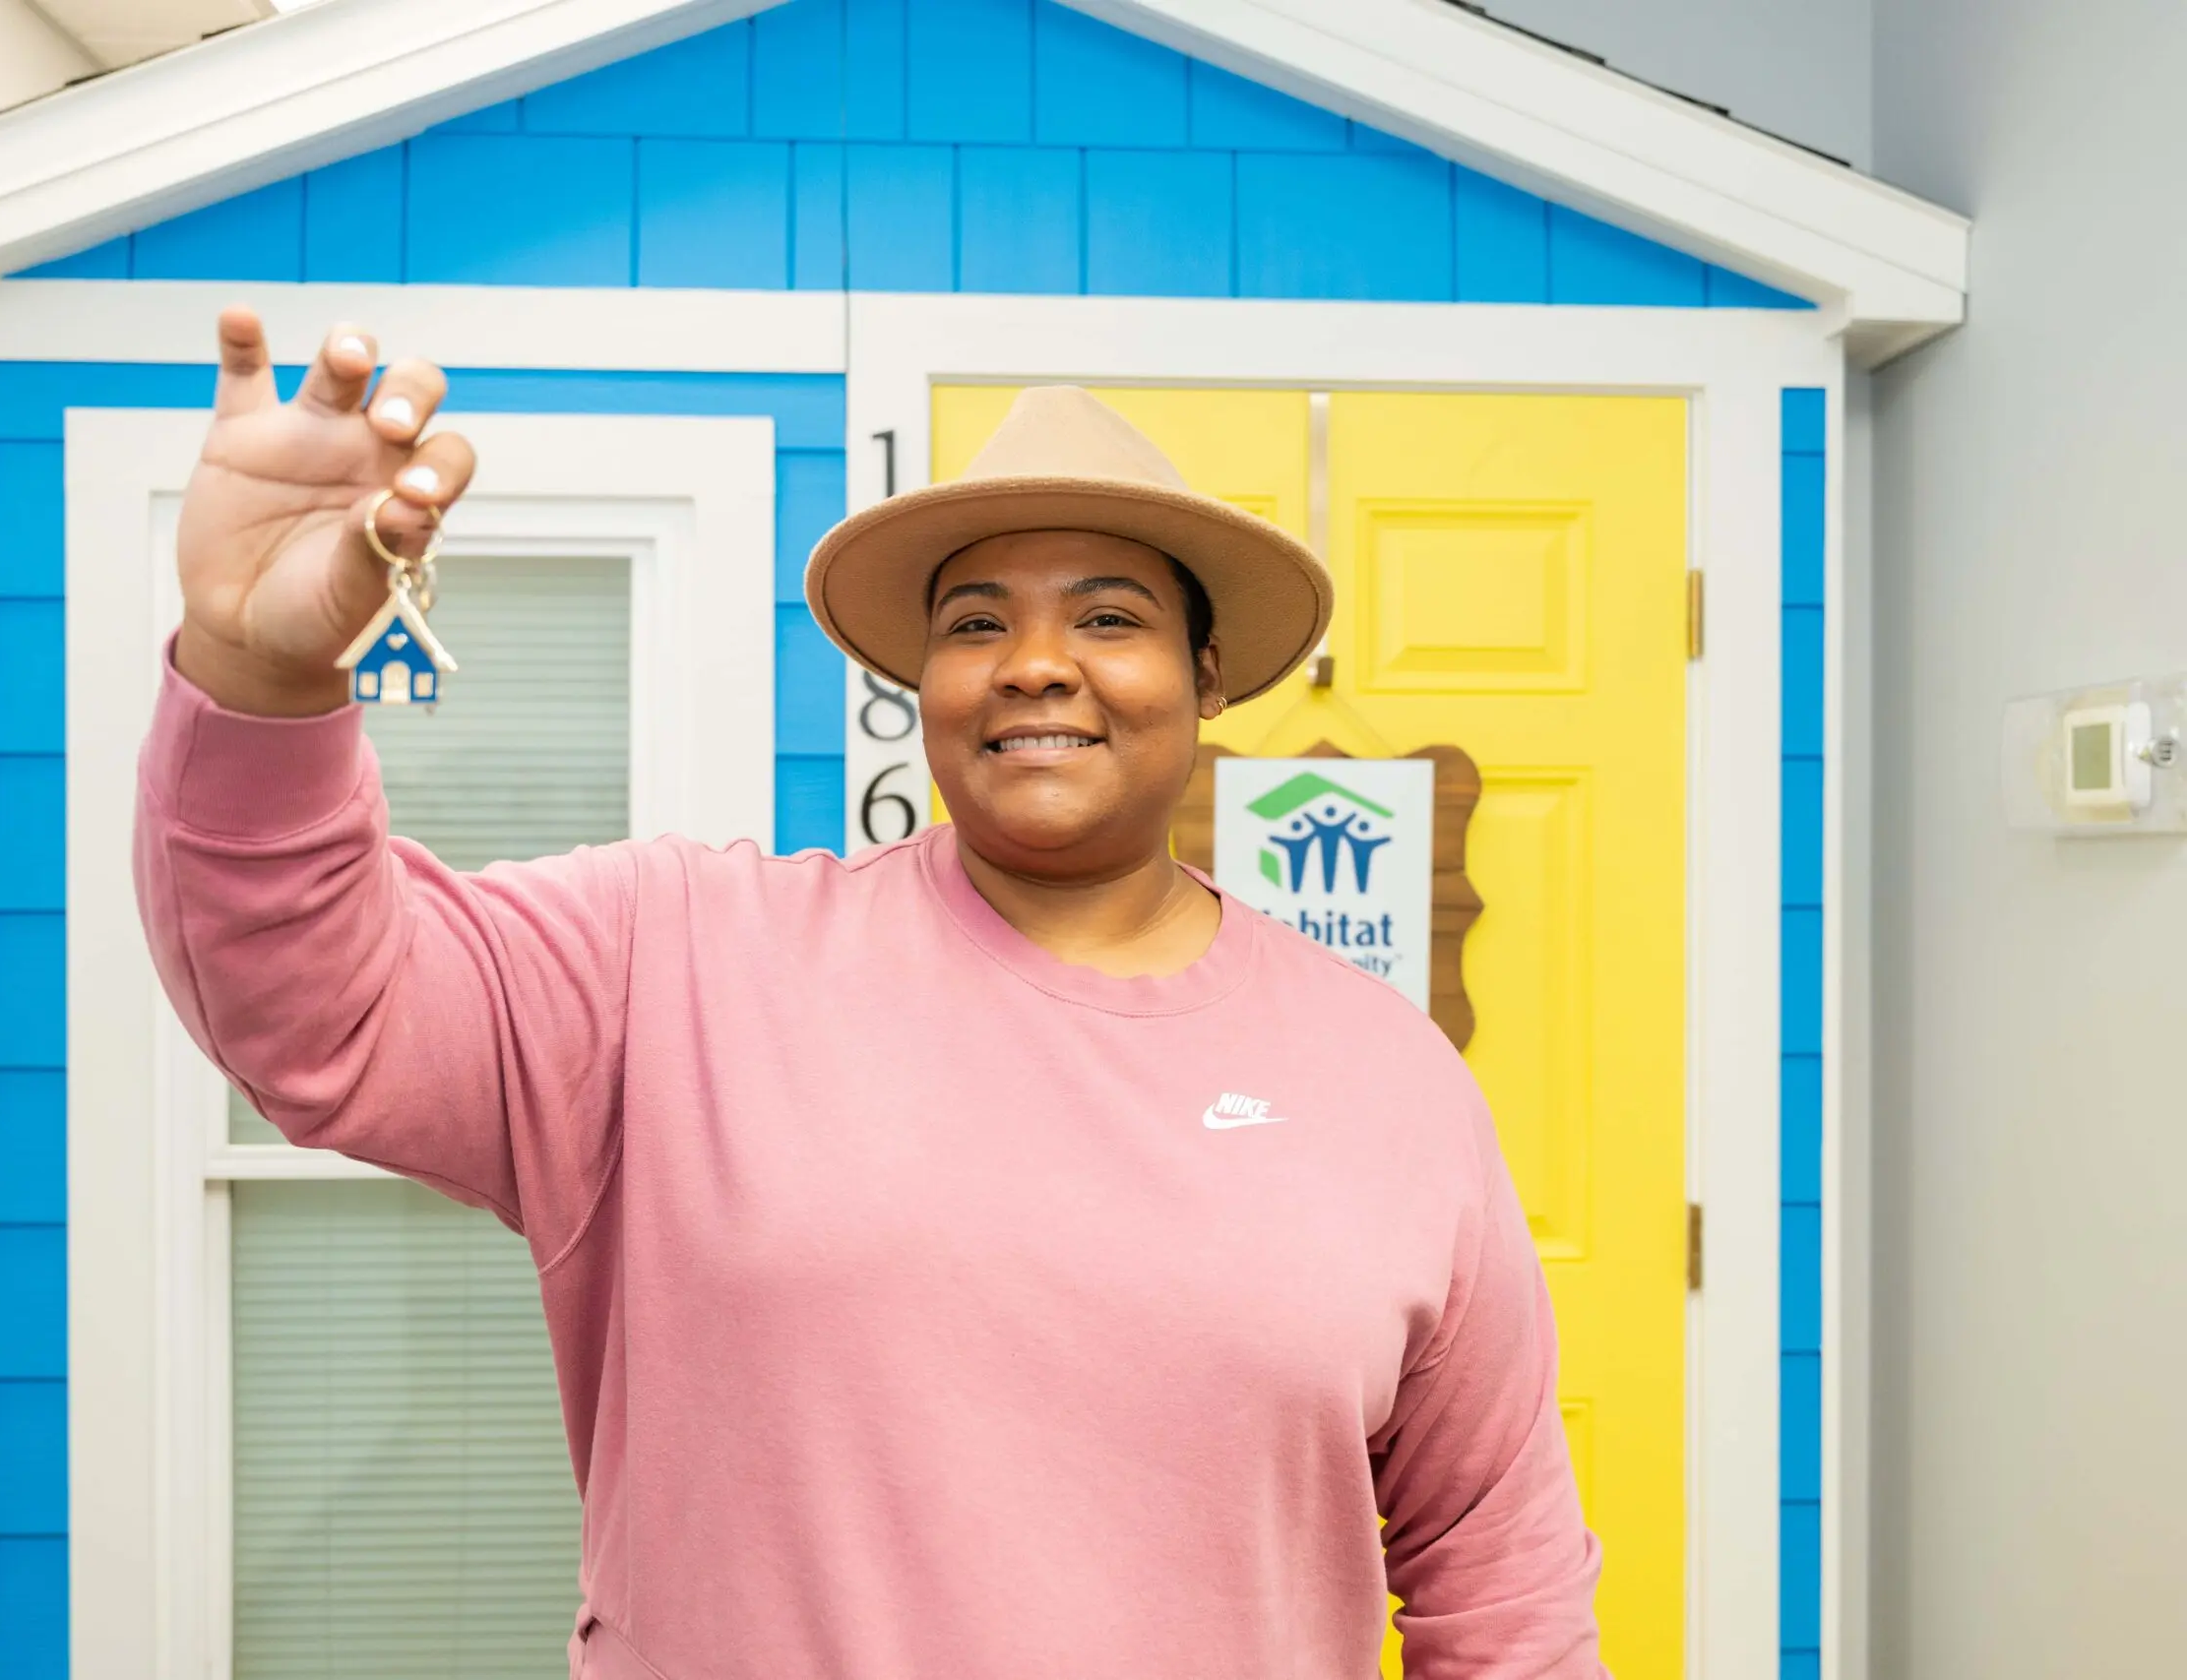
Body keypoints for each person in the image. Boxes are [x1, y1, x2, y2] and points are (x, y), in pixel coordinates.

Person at [139, 309, 1607, 1678]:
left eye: (1107, 618)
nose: (1035, 664)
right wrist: (259, 678)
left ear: (1206, 674)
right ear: (920, 682)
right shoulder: (678, 964)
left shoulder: (1385, 1081)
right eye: (974, 623)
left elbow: (1505, 1576)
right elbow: (317, 1008)